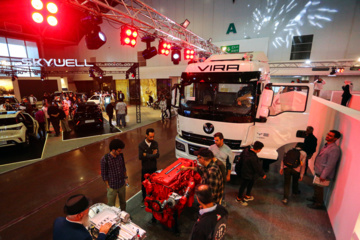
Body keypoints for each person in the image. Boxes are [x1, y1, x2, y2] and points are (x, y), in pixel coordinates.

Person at [307, 130, 341, 210]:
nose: (327, 136)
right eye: (328, 134)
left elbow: (330, 164)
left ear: (335, 138)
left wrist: (324, 175)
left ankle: (318, 203)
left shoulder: (334, 149)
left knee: (319, 188)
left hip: (323, 172)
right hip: (319, 169)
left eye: (330, 136)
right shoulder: (327, 145)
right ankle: (315, 198)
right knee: (316, 186)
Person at [100, 139, 128, 211]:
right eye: (118, 151)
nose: (120, 152)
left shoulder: (120, 156)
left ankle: (124, 215)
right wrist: (107, 185)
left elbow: (123, 168)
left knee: (123, 202)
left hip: (121, 185)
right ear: (113, 150)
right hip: (112, 187)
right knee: (111, 206)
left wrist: (126, 178)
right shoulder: (105, 159)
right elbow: (104, 174)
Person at [236, 141, 266, 206]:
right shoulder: (253, 158)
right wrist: (263, 174)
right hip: (248, 174)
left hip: (244, 171)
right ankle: (239, 198)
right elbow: (257, 168)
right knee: (243, 186)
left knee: (248, 183)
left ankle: (247, 195)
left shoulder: (246, 150)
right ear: (259, 149)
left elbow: (240, 157)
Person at [209, 132, 234, 205]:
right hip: (213, 171)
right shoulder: (211, 148)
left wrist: (228, 175)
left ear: (222, 140)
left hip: (222, 172)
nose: (215, 142)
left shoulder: (228, 150)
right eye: (214, 140)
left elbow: (229, 164)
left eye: (217, 140)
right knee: (212, 186)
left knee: (221, 187)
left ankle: (222, 201)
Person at [139, 128, 159, 203]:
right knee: (144, 185)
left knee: (154, 184)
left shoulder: (155, 143)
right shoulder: (141, 145)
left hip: (153, 168)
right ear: (146, 135)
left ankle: (152, 198)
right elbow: (140, 157)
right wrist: (152, 155)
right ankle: (144, 199)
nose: (152, 138)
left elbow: (157, 155)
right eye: (150, 137)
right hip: (145, 169)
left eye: (153, 136)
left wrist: (146, 155)